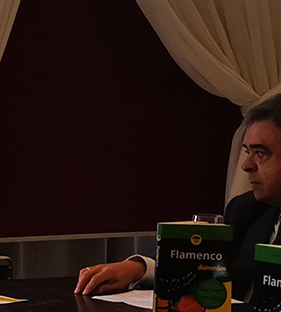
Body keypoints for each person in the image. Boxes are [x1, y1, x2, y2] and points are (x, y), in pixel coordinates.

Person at [76, 93, 281, 301]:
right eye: (248, 152)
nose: (246, 165)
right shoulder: (247, 209)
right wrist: (139, 269)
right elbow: (208, 273)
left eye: (260, 153)